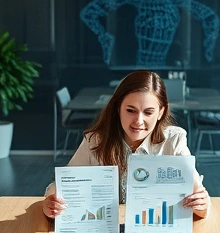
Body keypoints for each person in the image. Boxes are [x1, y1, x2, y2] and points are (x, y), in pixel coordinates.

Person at [43, 70, 211, 219]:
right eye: (130, 110)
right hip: (104, 231)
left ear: (161, 112)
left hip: (152, 232)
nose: (138, 121)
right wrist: (51, 203)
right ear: (118, 108)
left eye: (148, 112)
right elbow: (61, 187)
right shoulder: (95, 140)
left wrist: (202, 206)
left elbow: (199, 194)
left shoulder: (174, 141)